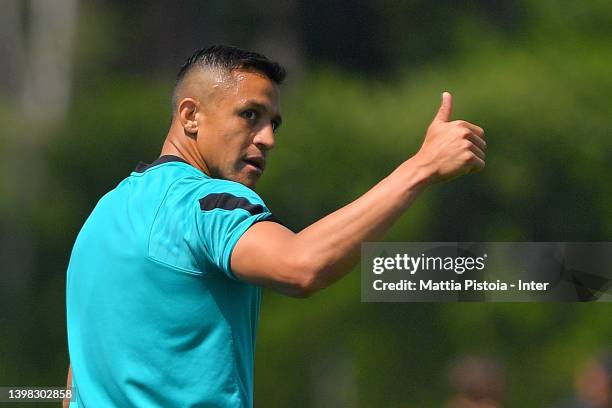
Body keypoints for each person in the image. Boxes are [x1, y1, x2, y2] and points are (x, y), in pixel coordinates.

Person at [65, 45, 486, 407]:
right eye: (250, 115)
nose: (268, 138)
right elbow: (302, 265)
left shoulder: (101, 217)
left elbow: (76, 381)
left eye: (274, 124)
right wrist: (421, 168)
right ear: (190, 115)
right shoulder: (206, 202)